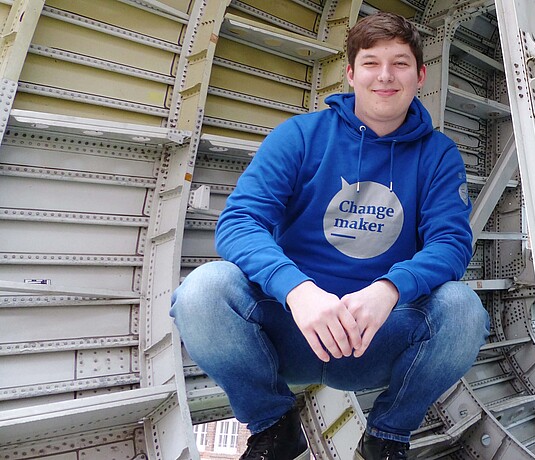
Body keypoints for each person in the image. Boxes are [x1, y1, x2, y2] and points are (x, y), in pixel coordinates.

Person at [170, 11, 489, 460]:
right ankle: (273, 426)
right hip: (293, 328)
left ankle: (387, 436)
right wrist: (297, 290)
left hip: (373, 336)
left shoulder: (438, 155)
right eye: (371, 62)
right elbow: (239, 221)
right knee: (202, 290)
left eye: (399, 64)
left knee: (463, 309)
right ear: (351, 72)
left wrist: (389, 289)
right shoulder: (299, 136)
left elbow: (451, 245)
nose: (385, 76)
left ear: (419, 76)